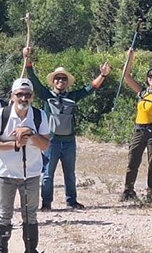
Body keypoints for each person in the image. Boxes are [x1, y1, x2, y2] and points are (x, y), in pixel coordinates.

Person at [25, 46, 110, 211]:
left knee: (70, 174)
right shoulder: (46, 95)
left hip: (69, 141)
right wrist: (27, 59)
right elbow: (33, 79)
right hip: (51, 141)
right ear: (53, 81)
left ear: (67, 82)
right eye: (57, 79)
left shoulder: (72, 96)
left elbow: (90, 88)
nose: (60, 81)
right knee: (48, 175)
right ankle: (46, 204)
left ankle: (72, 202)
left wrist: (103, 75)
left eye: (63, 79)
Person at [0, 79, 51, 253]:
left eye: (27, 94)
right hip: (5, 173)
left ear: (32, 96)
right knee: (4, 215)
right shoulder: (1, 115)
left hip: (30, 173)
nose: (23, 98)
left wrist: (30, 133)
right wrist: (14, 144)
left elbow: (45, 145)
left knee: (30, 215)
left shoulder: (39, 116)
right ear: (12, 96)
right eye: (19, 94)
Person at [119, 49, 152, 202]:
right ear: (147, 79)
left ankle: (151, 193)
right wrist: (130, 58)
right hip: (139, 130)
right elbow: (126, 77)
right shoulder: (142, 92)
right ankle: (128, 190)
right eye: (150, 76)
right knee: (132, 160)